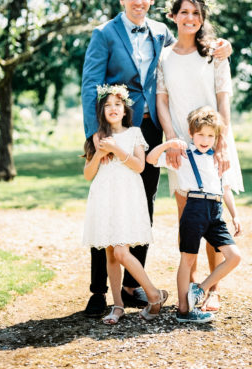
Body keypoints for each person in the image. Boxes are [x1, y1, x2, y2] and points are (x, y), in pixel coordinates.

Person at [81, 0, 231, 317]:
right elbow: (91, 83)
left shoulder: (162, 32)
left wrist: (225, 46)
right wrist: (95, 132)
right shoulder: (104, 34)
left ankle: (133, 285)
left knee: (142, 202)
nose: (138, 1)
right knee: (105, 200)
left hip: (149, 132)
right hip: (112, 130)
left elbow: (191, 45)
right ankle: (98, 290)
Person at [156, 0, 244, 312]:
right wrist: (172, 140)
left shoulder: (214, 54)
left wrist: (221, 144)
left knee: (213, 215)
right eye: (184, 12)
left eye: (195, 13)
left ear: (202, 17)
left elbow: (223, 99)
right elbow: (161, 101)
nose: (189, 18)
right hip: (181, 147)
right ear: (173, 16)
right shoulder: (163, 57)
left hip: (215, 141)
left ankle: (213, 289)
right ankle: (190, 288)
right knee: (188, 219)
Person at [146, 106, 242, 323]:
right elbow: (150, 159)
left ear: (216, 136)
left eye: (210, 135)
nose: (205, 140)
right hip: (194, 209)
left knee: (234, 256)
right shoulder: (183, 155)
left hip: (216, 212)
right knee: (187, 259)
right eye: (200, 134)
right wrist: (169, 144)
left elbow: (225, 188)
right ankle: (183, 310)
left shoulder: (218, 157)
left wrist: (235, 215)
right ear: (191, 133)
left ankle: (200, 289)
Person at [82, 84, 168, 324]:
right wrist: (99, 153)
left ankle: (153, 293)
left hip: (126, 197)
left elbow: (140, 166)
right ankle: (118, 305)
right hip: (104, 197)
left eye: (117, 104)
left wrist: (117, 149)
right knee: (110, 254)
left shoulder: (134, 134)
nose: (112, 108)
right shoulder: (98, 137)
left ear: (125, 109)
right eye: (107, 105)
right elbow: (88, 174)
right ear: (101, 110)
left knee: (121, 250)